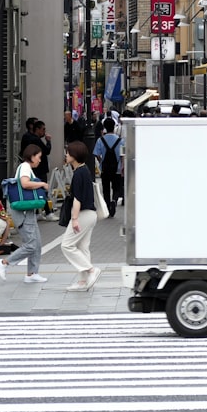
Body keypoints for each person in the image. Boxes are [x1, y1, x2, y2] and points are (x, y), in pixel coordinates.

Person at [0, 145, 48, 284]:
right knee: (31, 244)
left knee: (36, 243)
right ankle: (4, 262)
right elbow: (25, 184)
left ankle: (32, 274)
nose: (39, 160)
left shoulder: (25, 167)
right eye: (38, 157)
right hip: (24, 213)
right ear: (32, 156)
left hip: (27, 213)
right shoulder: (25, 167)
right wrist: (42, 184)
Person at [60, 141, 102, 291]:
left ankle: (91, 270)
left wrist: (75, 219)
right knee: (82, 247)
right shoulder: (85, 171)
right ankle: (83, 282)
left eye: (68, 152)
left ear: (74, 155)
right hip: (91, 214)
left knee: (67, 245)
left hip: (83, 214)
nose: (66, 154)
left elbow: (77, 199)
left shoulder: (78, 173)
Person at [93, 117, 124, 217]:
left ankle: (107, 206)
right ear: (114, 127)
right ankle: (114, 201)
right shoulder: (120, 140)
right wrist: (122, 166)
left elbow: (97, 154)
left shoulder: (100, 140)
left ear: (105, 127)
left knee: (106, 188)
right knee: (116, 187)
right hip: (117, 168)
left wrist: (101, 161)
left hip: (105, 168)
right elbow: (123, 156)